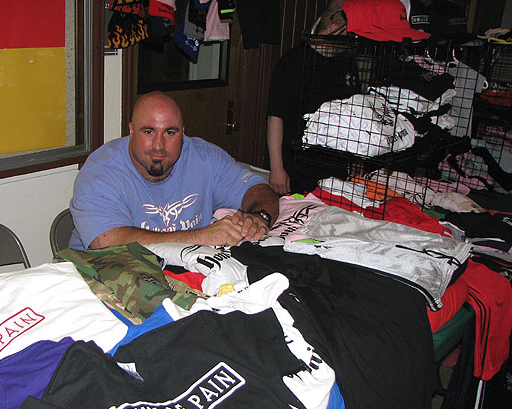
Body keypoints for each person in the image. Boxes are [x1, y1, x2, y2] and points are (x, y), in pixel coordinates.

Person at [69, 91, 279, 250]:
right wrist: (201, 237)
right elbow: (107, 243)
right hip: (106, 277)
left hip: (183, 274)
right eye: (149, 131)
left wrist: (259, 216)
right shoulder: (100, 173)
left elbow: (258, 189)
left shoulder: (204, 157)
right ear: (131, 131)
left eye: (170, 132)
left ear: (183, 133)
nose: (158, 145)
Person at [266, 0, 360, 195]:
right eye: (349, 33)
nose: (352, 40)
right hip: (298, 166)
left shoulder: (347, 64)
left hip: (336, 168)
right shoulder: (293, 63)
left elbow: (355, 115)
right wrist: (277, 168)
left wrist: (356, 159)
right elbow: (275, 117)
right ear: (335, 28)